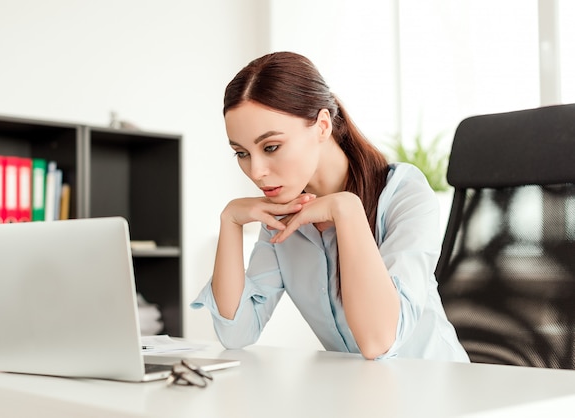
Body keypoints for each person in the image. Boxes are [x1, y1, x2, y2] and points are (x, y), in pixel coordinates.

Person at [191, 51, 469, 362]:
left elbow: (379, 341)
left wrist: (346, 210)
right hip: (361, 395)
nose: (256, 171)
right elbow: (235, 333)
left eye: (271, 147)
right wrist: (230, 220)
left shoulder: (403, 193)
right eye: (241, 153)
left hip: (439, 391)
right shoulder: (284, 214)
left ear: (323, 125)